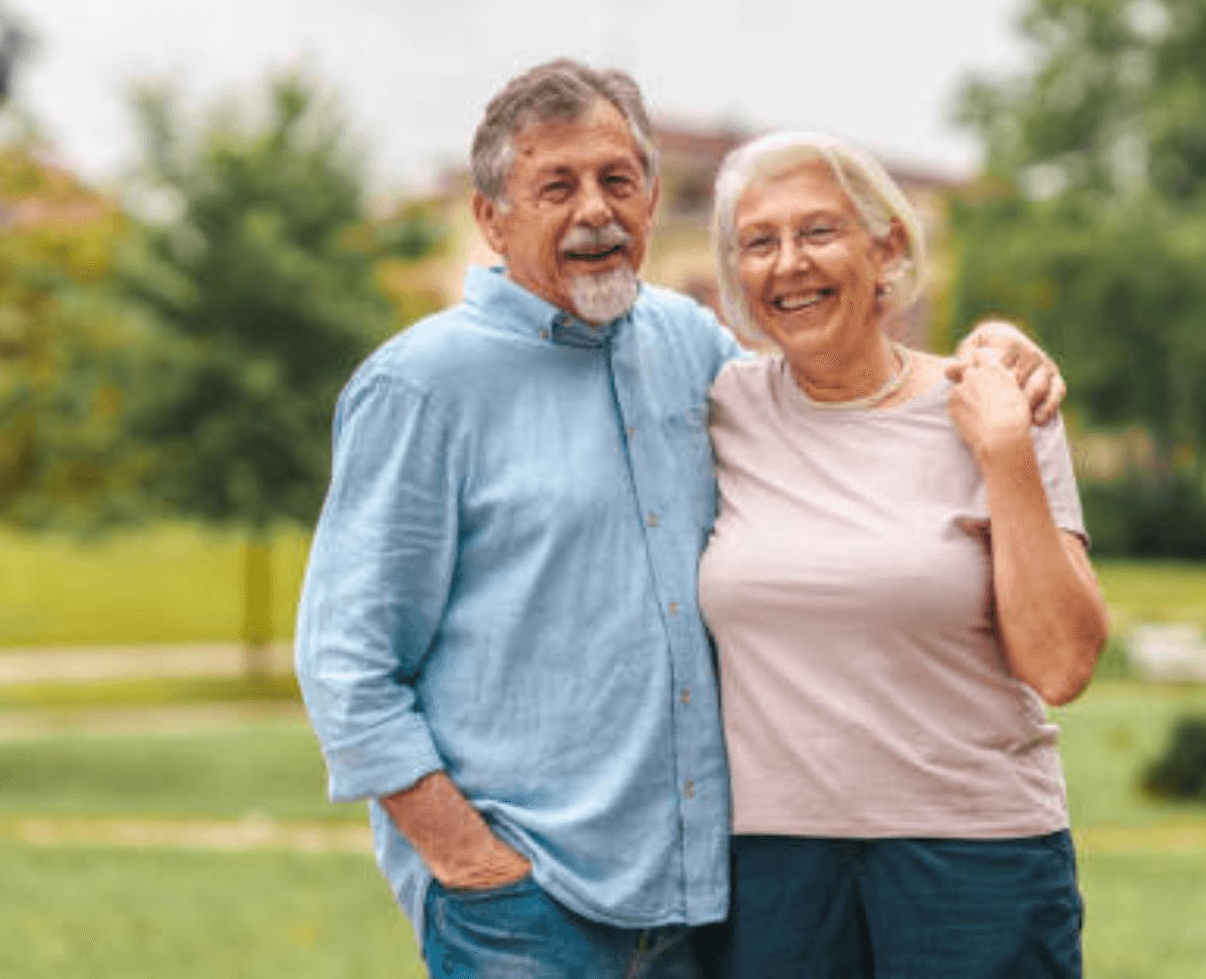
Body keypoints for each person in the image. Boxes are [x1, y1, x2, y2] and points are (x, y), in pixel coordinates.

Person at [293, 61, 1065, 979]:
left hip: (696, 906)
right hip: (524, 912)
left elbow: (839, 376)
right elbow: (347, 666)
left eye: (618, 180)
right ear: (492, 216)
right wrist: (472, 865)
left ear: (653, 198)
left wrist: (994, 351)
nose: (597, 211)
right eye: (557, 186)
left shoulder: (689, 348)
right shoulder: (419, 388)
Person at [698, 131, 1110, 978]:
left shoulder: (997, 402)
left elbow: (1063, 662)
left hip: (978, 862)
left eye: (818, 232)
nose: (788, 265)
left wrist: (1005, 455)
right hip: (775, 868)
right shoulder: (715, 409)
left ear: (886, 247)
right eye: (759, 242)